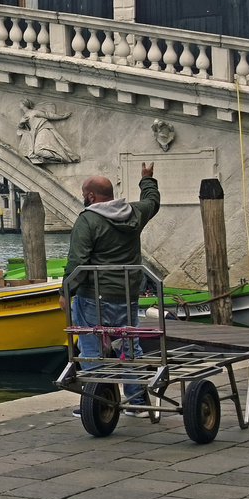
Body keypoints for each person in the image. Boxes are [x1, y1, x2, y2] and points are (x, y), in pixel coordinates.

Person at [65, 165, 160, 412]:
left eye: (84, 193)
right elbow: (152, 201)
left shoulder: (88, 220)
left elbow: (77, 261)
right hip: (126, 296)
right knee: (129, 348)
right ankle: (136, 403)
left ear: (91, 196)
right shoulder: (135, 213)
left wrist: (66, 291)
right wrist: (146, 179)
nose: (83, 197)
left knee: (90, 350)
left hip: (92, 297)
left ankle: (97, 404)